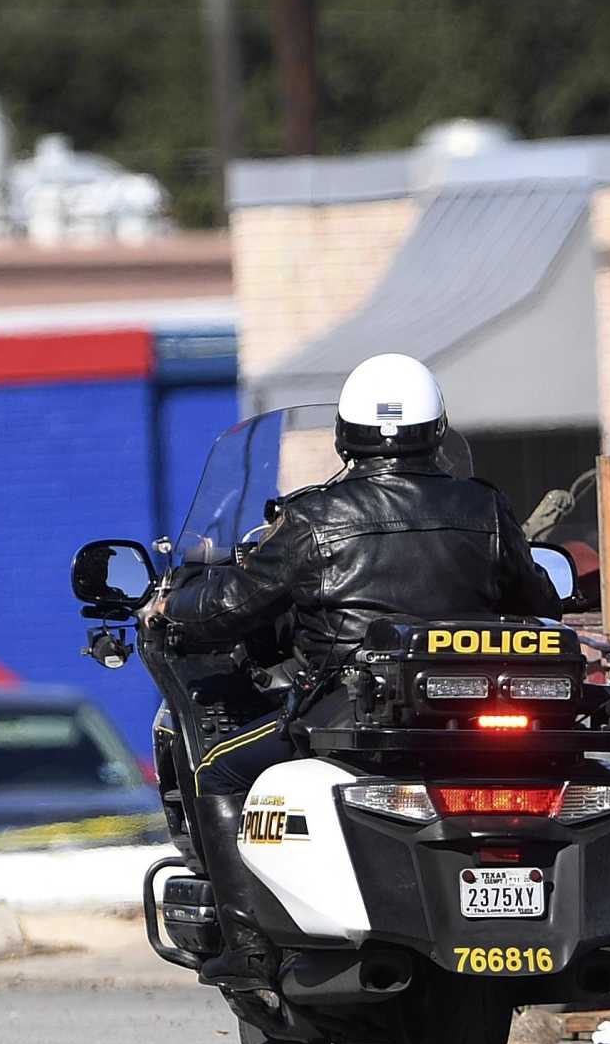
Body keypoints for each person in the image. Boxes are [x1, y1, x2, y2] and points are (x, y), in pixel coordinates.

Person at [152, 353, 562, 987]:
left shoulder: (315, 518)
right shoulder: (484, 508)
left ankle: (250, 947)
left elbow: (230, 605)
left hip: (347, 714)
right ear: (437, 429)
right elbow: (538, 603)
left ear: (346, 435)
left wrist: (170, 607)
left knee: (218, 769)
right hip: (465, 716)